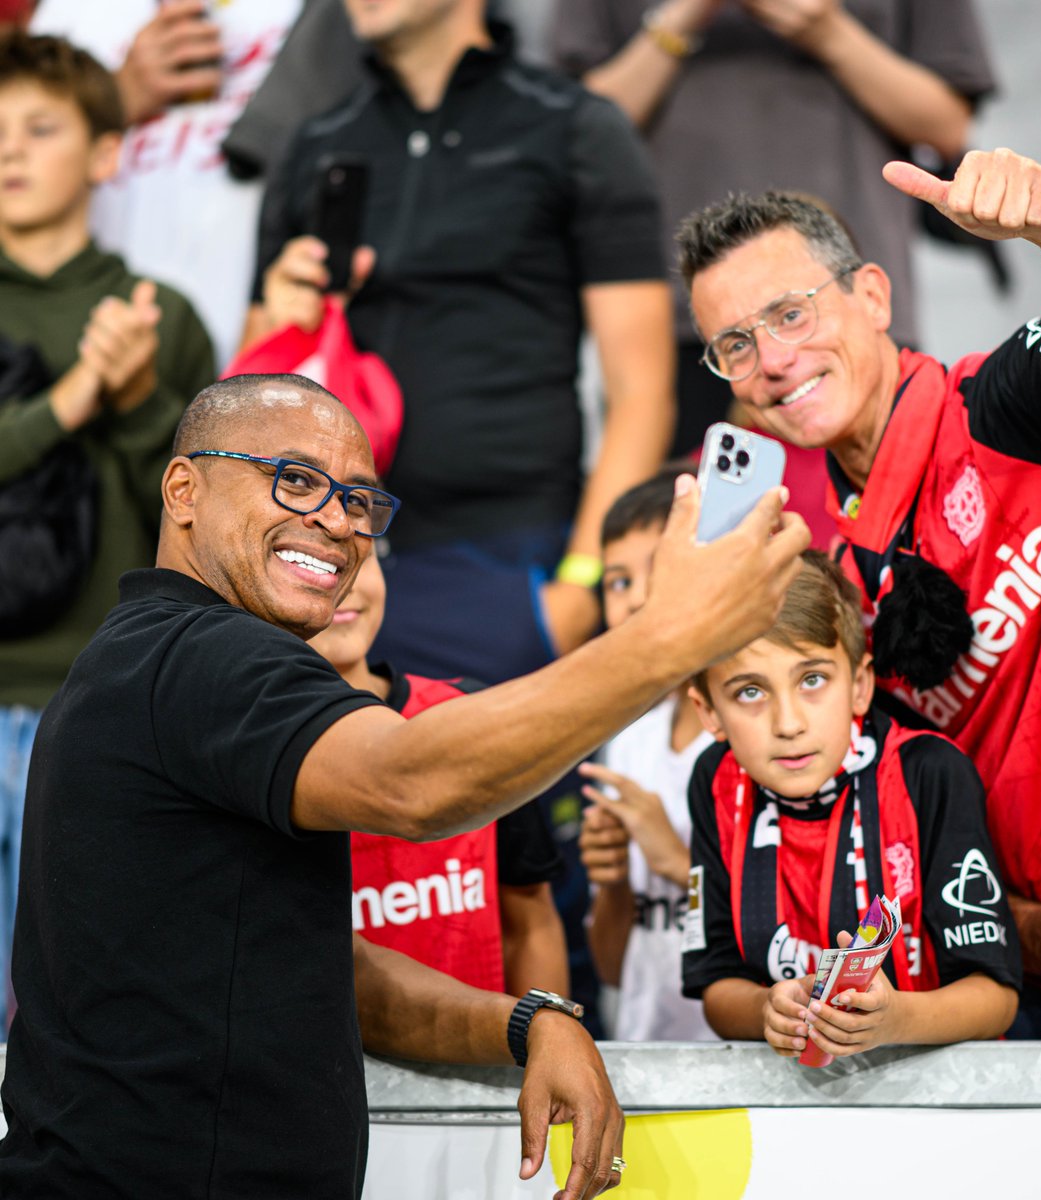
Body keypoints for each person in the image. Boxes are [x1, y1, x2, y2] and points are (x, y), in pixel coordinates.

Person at [0, 370, 809, 1198]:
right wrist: (669, 638)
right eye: (296, 480)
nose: (336, 521)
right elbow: (414, 783)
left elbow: (327, 976)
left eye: (359, 500)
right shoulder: (201, 654)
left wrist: (525, 1020)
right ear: (183, 490)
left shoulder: (149, 662)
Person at [679, 147, 1041, 1038]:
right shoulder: (843, 583)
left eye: (791, 314)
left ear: (874, 297)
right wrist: (1025, 932)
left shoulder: (1009, 405)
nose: (773, 359)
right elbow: (921, 828)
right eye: (736, 344)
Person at [247, 0, 676, 1021]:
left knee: (533, 892)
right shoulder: (316, 142)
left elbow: (643, 391)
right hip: (335, 566)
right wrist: (275, 313)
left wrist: (576, 590)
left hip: (513, 572)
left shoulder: (574, 128)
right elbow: (254, 399)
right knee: (323, 893)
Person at [0, 31, 214, 1031]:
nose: (9, 149)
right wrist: (75, 394)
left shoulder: (160, 316)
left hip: (105, 704)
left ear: (104, 152)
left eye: (39, 127)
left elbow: (199, 521)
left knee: (86, 1010)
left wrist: (134, 402)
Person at [552, 0, 995, 456]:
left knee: (893, 480)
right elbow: (574, 131)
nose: (775, 359)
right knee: (699, 494)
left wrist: (827, 30)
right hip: (677, 320)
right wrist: (682, 17)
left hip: (841, 297)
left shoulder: (862, 300)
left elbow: (948, 126)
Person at [682, 552, 1020, 1056]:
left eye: (812, 680)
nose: (788, 723)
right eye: (750, 691)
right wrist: (766, 1010)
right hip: (793, 1097)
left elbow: (997, 997)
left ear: (860, 686)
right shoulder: (714, 782)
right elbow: (716, 987)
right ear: (709, 711)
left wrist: (896, 1019)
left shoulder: (929, 774)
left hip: (945, 1095)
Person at [310, 553, 570, 996]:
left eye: (358, 559)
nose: (342, 582)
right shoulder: (240, 746)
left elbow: (531, 920)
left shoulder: (470, 716)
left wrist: (548, 1031)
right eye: (310, 564)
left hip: (487, 1040)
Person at [30, 0, 305, 367]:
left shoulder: (315, 10)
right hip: (103, 341)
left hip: (267, 335)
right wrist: (115, 98)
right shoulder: (71, 11)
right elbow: (19, 155)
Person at [577, 466, 717, 1040]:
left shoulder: (760, 732)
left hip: (747, 1058)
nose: (635, 599)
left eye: (657, 570)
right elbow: (612, 969)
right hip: (643, 1052)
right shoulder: (628, 739)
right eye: (617, 582)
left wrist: (677, 864)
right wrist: (612, 882)